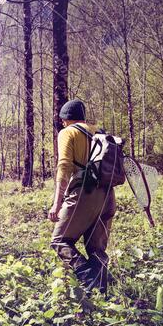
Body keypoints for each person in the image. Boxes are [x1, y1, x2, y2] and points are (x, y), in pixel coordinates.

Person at [49, 99, 116, 294]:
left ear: (65, 120)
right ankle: (105, 289)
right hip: (108, 195)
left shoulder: (68, 132)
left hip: (84, 194)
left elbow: (64, 167)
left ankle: (90, 280)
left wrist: (57, 203)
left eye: (62, 121)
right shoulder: (100, 132)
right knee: (96, 247)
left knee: (59, 240)